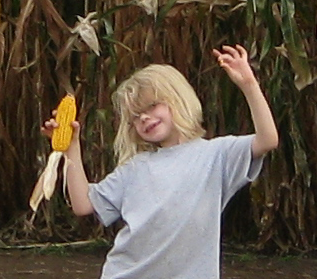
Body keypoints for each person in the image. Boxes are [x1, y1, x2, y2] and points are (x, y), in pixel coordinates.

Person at [48, 45, 278, 279]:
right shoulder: (135, 168)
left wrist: (249, 85)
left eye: (151, 106)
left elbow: (268, 139)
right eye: (135, 117)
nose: (144, 118)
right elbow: (83, 204)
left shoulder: (216, 155)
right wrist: (71, 148)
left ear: (178, 99)